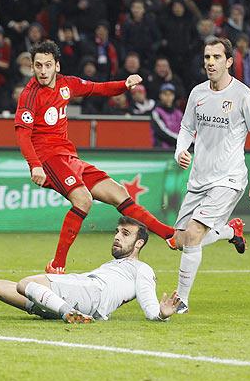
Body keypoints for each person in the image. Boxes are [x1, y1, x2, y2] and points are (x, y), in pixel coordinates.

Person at [14, 40, 176, 274]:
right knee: (83, 200)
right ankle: (57, 265)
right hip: (49, 160)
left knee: (119, 193)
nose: (43, 70)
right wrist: (35, 166)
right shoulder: (29, 96)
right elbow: (23, 134)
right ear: (32, 67)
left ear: (56, 66)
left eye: (48, 65)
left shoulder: (66, 85)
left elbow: (97, 88)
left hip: (69, 157)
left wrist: (124, 84)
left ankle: (168, 235)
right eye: (38, 65)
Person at [0, 217, 181, 323]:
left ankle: (69, 313)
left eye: (125, 234)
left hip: (92, 297)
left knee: (26, 283)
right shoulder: (113, 265)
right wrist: (59, 280)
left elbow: (148, 306)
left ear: (140, 243)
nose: (117, 237)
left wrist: (162, 314)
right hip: (79, 291)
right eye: (117, 232)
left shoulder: (142, 269)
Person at [170, 37, 250, 314]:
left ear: (229, 62)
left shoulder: (245, 97)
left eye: (216, 57)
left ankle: (181, 300)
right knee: (180, 241)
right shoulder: (197, 93)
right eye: (206, 57)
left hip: (229, 179)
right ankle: (230, 231)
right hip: (198, 179)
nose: (210, 62)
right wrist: (180, 151)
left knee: (192, 234)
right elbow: (186, 128)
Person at [150, 83, 181, 148]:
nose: (168, 97)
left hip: (177, 148)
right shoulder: (156, 112)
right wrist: (180, 140)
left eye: (170, 94)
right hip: (162, 150)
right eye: (165, 94)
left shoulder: (178, 113)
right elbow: (162, 132)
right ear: (160, 96)